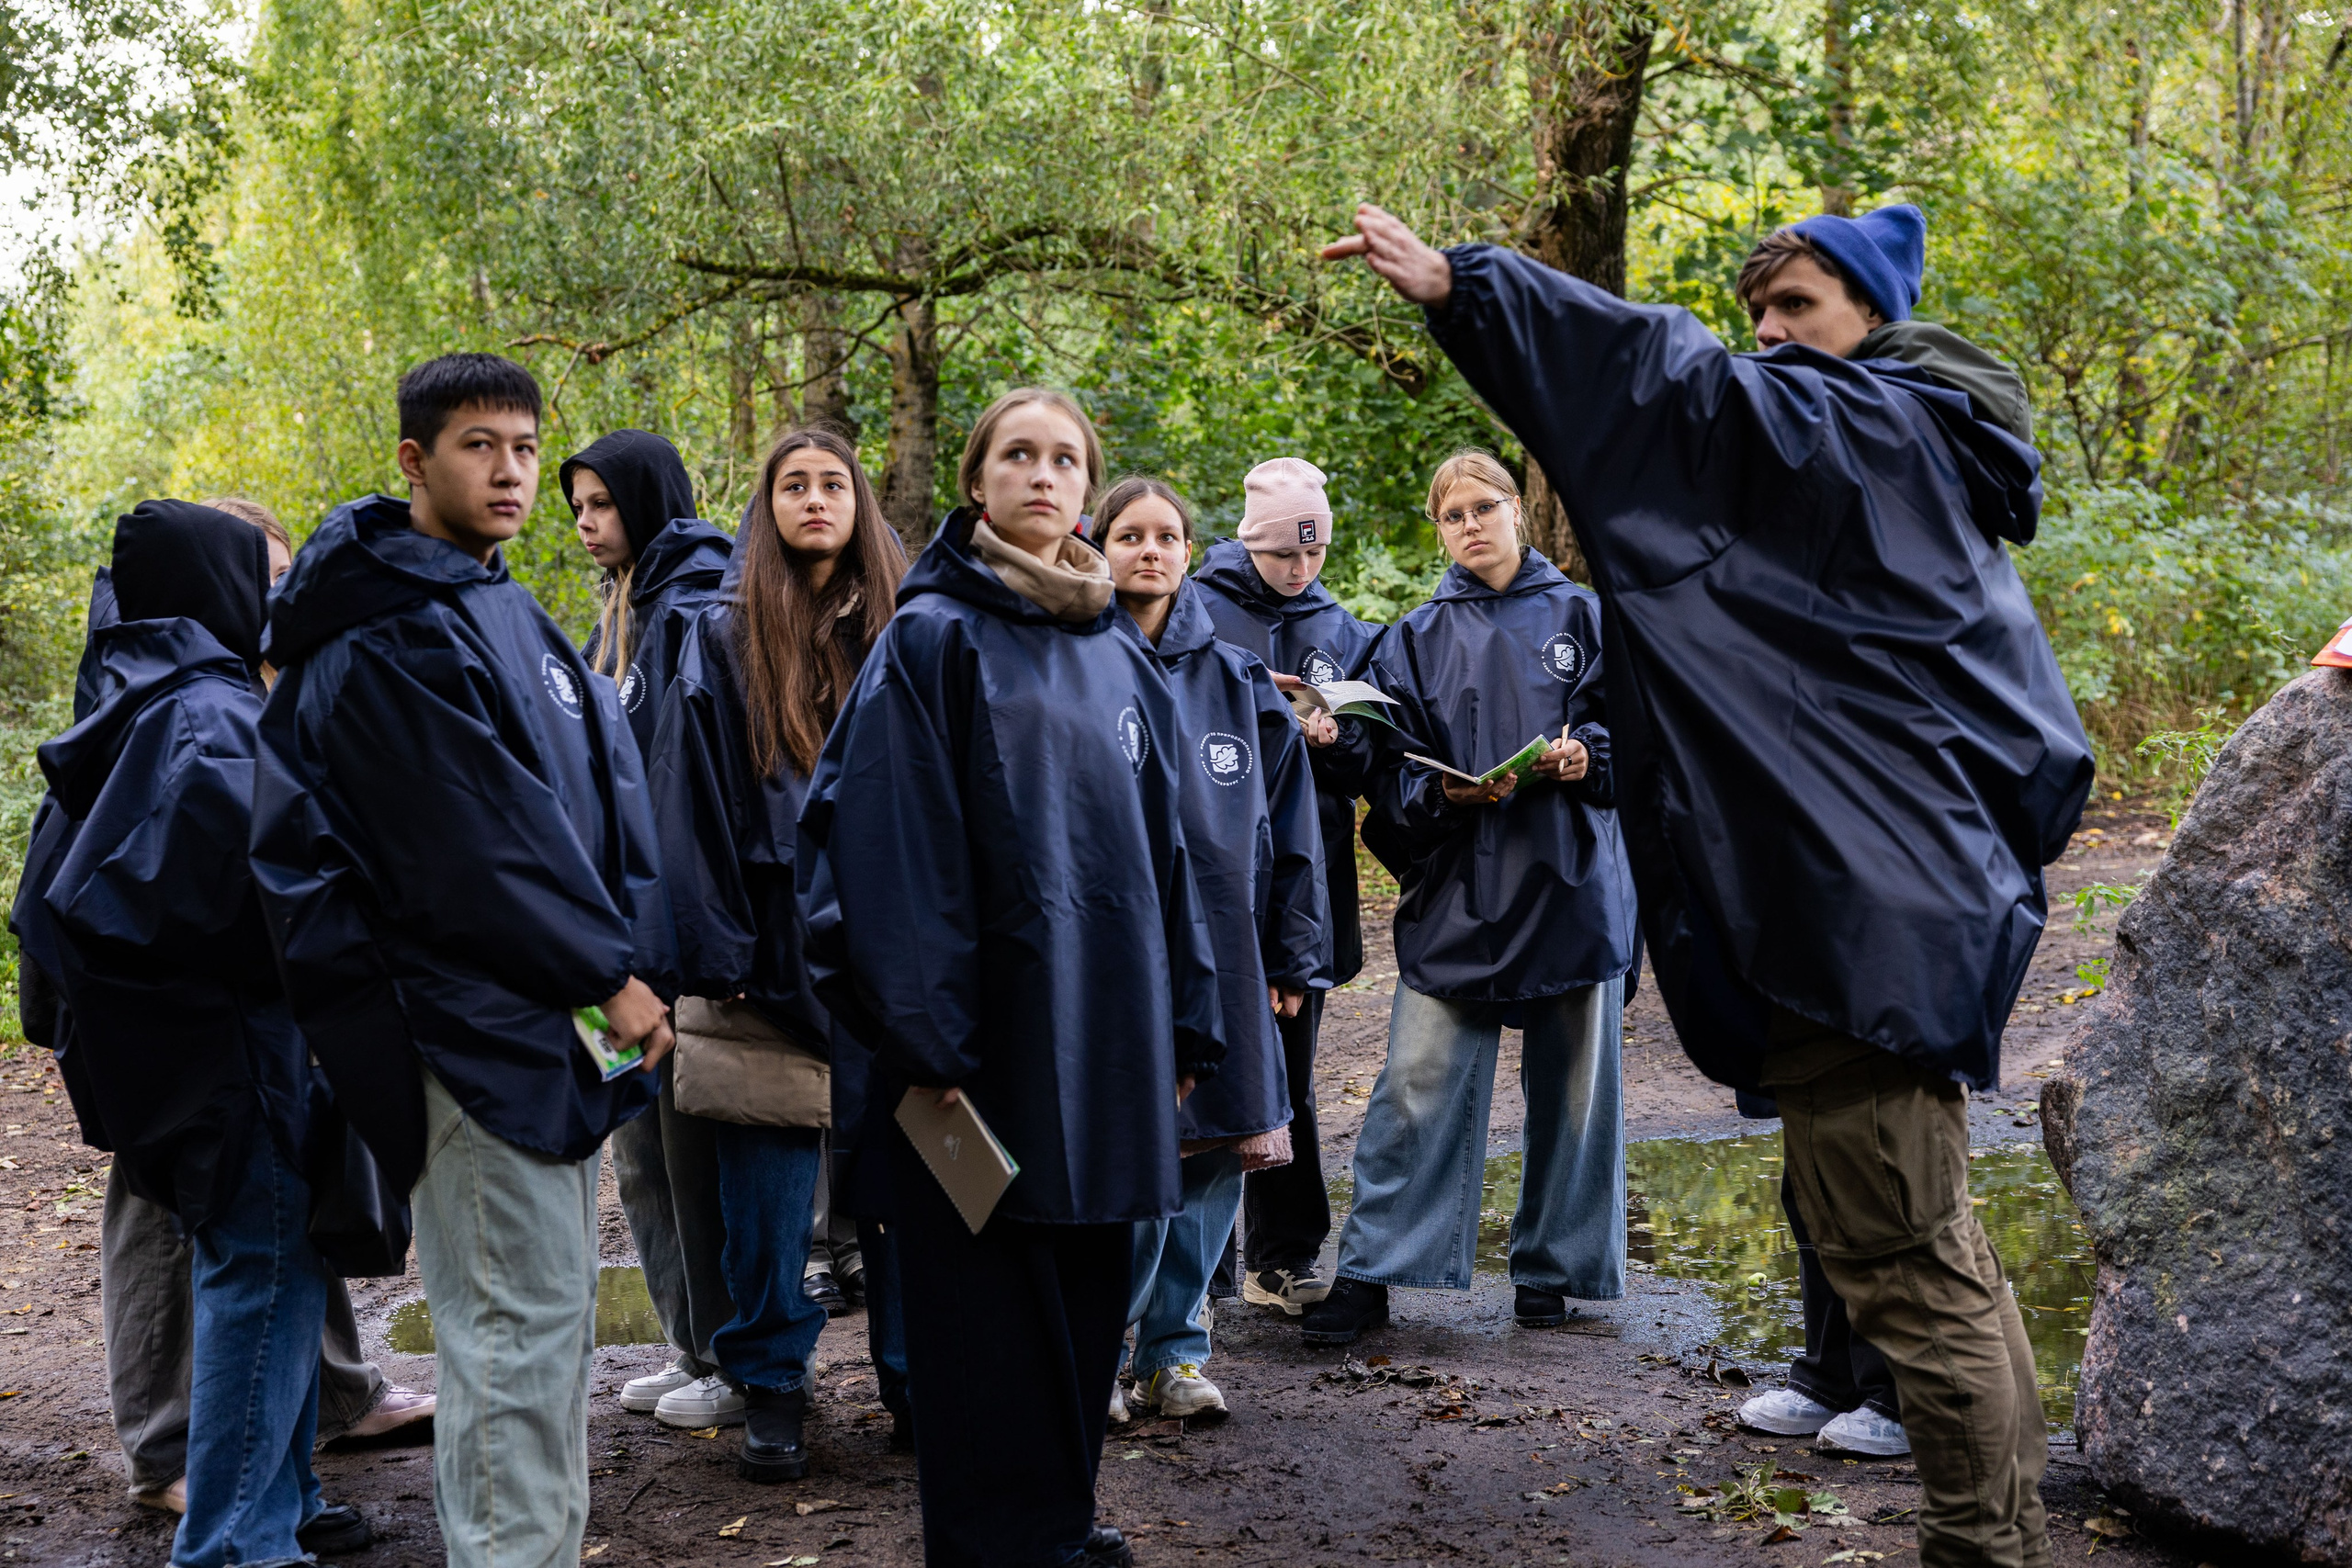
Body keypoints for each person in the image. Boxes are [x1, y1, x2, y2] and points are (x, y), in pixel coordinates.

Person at [1324, 202, 2090, 1568]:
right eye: (1764, 315)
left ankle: (1992, 1548)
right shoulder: (1884, 461)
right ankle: (1999, 1535)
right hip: (1861, 916)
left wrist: (1471, 289)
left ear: (1875, 314)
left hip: (1868, 930)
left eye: (1802, 306)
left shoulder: (1872, 430)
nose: (1776, 336)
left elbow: (1671, 387)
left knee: (1916, 1267)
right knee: (1920, 1253)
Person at [250, 353, 677, 1568]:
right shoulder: (386, 633)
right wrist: (610, 970)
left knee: (543, 1327)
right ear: (413, 460)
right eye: (478, 444)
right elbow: (473, 844)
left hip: (532, 1021)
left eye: (527, 449)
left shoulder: (477, 599)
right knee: (509, 1329)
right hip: (470, 1029)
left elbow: (574, 801)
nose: (510, 470)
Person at [799, 389, 1224, 1568]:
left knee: (1086, 1291)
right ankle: (998, 1544)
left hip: (1112, 1031)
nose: (1043, 475)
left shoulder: (1114, 648)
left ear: (1088, 485)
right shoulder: (931, 638)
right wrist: (927, 1048)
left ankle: (1059, 1522)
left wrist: (1191, 1024)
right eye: (1017, 455)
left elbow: (1167, 852)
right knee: (986, 1314)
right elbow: (880, 854)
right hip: (978, 1053)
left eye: (1065, 458)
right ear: (977, 479)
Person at [42, 500, 432, 1524]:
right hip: (230, 1064)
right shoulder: (200, 718)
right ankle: (236, 1534)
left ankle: (282, 1496)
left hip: (198, 1063)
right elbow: (246, 907)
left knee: (272, 1269)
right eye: (253, 577)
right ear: (212, 585)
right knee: (254, 1281)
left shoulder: (154, 696)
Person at [1304, 452, 1635, 1345]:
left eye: (1484, 506)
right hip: (1459, 889)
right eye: (1451, 515)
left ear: (1517, 509)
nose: (1470, 525)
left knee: (1574, 1091)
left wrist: (1588, 756)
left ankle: (1551, 1273)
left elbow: (1640, 739)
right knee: (1413, 1084)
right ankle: (1371, 1272)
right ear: (1438, 528)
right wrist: (1438, 794)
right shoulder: (1411, 637)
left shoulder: (1586, 616)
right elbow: (1384, 773)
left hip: (1571, 884)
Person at [649, 425, 909, 1479]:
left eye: (831, 484)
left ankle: (913, 1380)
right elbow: (689, 800)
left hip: (892, 961)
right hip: (764, 958)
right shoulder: (717, 633)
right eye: (793, 485)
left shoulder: (910, 626)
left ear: (858, 503)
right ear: (767, 507)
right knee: (761, 1206)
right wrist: (723, 954)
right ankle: (769, 1387)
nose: (813, 500)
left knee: (901, 1194)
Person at [1096, 477, 1325, 1420]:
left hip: (1228, 958)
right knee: (1122, 1154)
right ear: (1098, 547)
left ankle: (1175, 1353)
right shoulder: (1075, 664)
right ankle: (1099, 1350)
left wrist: (1290, 958)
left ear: (1191, 551)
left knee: (1214, 1153)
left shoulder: (1238, 682)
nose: (1149, 551)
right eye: (1129, 536)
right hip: (1112, 959)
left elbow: (1294, 832)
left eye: (1165, 536)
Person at [560, 430, 744, 1430]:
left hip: (672, 940)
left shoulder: (697, 605)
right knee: (634, 1145)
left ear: (644, 497)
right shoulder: (616, 611)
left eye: (600, 505)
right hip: (611, 940)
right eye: (577, 509)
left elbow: (688, 792)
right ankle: (685, 1342)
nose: (587, 525)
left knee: (693, 1148)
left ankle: (728, 1354)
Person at [1188, 457, 1385, 1314]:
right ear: (1251, 542)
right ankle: (1197, 1266)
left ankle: (1283, 1254)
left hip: (1313, 876)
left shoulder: (1341, 625)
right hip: (1213, 871)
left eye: (1315, 554)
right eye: (1283, 555)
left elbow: (1377, 754)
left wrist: (1336, 741)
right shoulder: (1197, 606)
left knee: (1291, 1071)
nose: (1301, 570)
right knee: (1200, 1061)